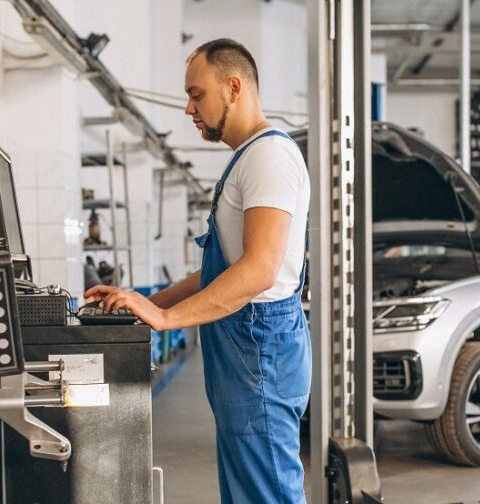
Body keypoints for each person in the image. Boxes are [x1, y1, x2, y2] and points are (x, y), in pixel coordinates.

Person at [84, 38, 311, 504]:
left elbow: (259, 271)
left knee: (267, 493)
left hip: (258, 351)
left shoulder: (269, 156)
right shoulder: (248, 157)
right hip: (249, 352)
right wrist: (143, 303)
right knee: (249, 491)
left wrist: (167, 320)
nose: (189, 108)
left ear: (233, 86)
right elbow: (217, 272)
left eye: (196, 94)